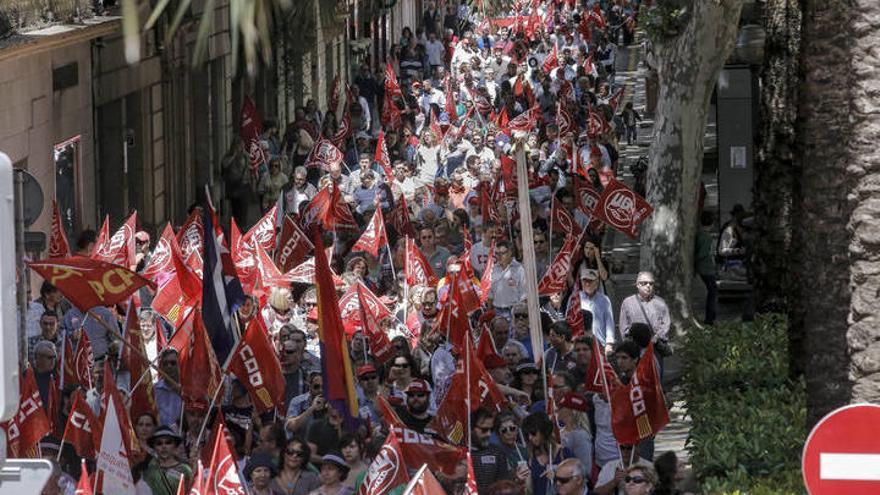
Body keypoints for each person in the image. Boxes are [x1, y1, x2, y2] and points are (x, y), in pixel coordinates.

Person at [618, 271, 671, 351]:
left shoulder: (661, 303)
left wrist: (657, 337)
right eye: (644, 283)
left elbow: (666, 324)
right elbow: (623, 326)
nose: (648, 286)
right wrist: (630, 342)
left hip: (655, 348)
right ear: (638, 285)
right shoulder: (627, 303)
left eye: (651, 283)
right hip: (635, 348)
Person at [522, 412, 572, 495]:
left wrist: (558, 474)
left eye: (533, 433)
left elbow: (579, 478)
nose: (530, 437)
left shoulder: (564, 453)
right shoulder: (530, 457)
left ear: (544, 431)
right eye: (527, 435)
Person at [139, 426, 192, 495]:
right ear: (154, 447)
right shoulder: (148, 471)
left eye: (168, 442)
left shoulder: (185, 469)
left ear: (175, 445)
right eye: (159, 443)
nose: (164, 446)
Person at [470, 408, 514, 491]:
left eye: (491, 429)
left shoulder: (497, 452)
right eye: (484, 430)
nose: (489, 434)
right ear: (472, 428)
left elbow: (504, 486)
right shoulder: (460, 453)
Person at [578, 265, 616, 354]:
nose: (587, 283)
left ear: (597, 282)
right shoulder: (576, 298)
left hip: (600, 345)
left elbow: (609, 322)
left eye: (590, 281)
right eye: (585, 280)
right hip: (581, 345)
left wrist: (609, 344)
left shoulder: (604, 299)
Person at [694, 210, 718, 325]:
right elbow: (703, 253)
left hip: (703, 268)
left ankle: (711, 316)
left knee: (712, 291)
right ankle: (710, 318)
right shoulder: (707, 237)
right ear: (712, 223)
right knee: (712, 292)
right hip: (706, 268)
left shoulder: (699, 234)